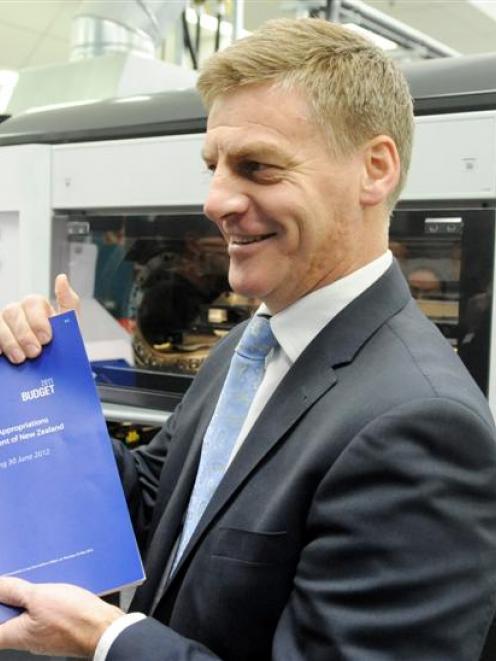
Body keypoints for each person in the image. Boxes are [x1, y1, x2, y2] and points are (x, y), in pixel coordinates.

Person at [0, 17, 495, 661]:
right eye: (214, 166)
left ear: (374, 168)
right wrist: (43, 398)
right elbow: (161, 501)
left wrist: (108, 641)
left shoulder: (422, 426)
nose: (215, 200)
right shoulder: (252, 342)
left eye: (256, 167)